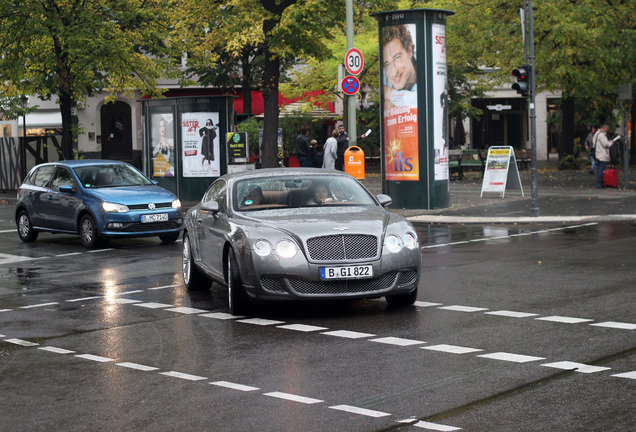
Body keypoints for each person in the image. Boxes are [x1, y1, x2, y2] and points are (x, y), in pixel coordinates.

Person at [382, 24, 417, 109]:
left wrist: (390, 93)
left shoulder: (429, 67)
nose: (394, 72)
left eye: (397, 57)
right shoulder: (384, 75)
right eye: (387, 64)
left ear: (409, 51)